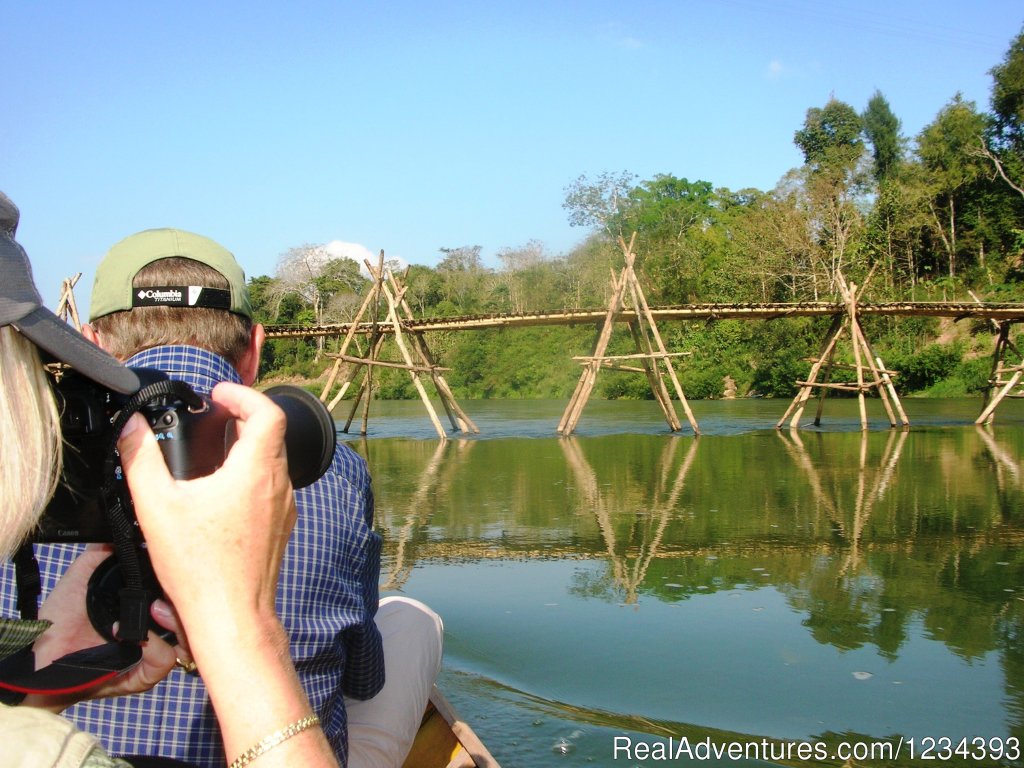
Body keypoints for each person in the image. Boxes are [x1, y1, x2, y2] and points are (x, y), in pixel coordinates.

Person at [1, 227, 441, 767]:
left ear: (91, 346)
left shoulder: (23, 463)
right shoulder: (331, 468)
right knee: (413, 619)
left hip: (43, 710)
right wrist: (242, 625)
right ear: (255, 349)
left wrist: (41, 687)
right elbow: (364, 677)